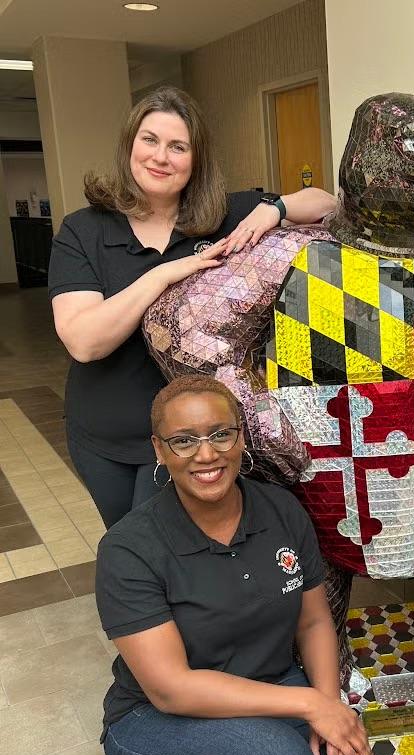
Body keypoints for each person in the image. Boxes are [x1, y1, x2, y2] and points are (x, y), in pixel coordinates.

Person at [48, 86, 336, 528]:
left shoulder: (227, 214)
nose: (161, 157)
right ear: (129, 145)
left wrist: (275, 209)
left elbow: (326, 204)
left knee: (178, 550)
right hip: (103, 433)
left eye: (178, 147)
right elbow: (85, 343)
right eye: (150, 140)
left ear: (195, 159)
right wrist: (163, 274)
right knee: (129, 548)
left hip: (195, 438)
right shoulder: (84, 230)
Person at [95, 375, 382, 755]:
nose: (207, 454)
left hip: (271, 684)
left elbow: (314, 622)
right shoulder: (129, 550)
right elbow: (171, 688)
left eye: (221, 434)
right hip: (157, 717)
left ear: (242, 437)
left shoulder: (280, 508)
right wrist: (311, 705)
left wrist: (330, 707)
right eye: (184, 440)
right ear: (159, 449)